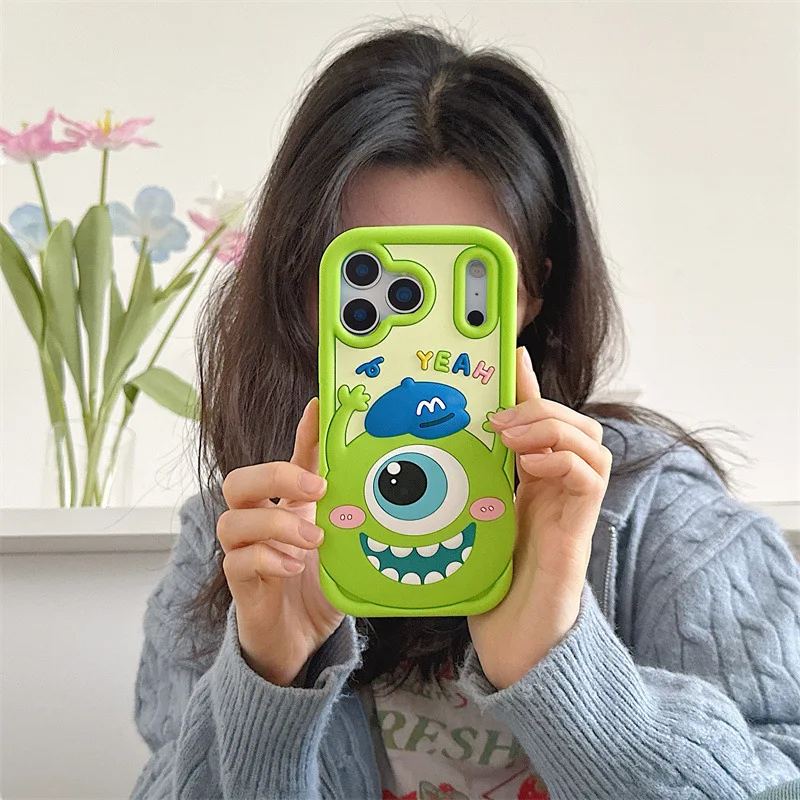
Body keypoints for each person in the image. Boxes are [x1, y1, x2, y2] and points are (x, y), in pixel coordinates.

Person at [130, 23, 800, 800]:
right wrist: (266, 688)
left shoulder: (669, 525)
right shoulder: (242, 536)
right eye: (371, 283)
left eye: (461, 279)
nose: (418, 337)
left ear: (535, 288)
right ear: (302, 288)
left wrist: (560, 663)